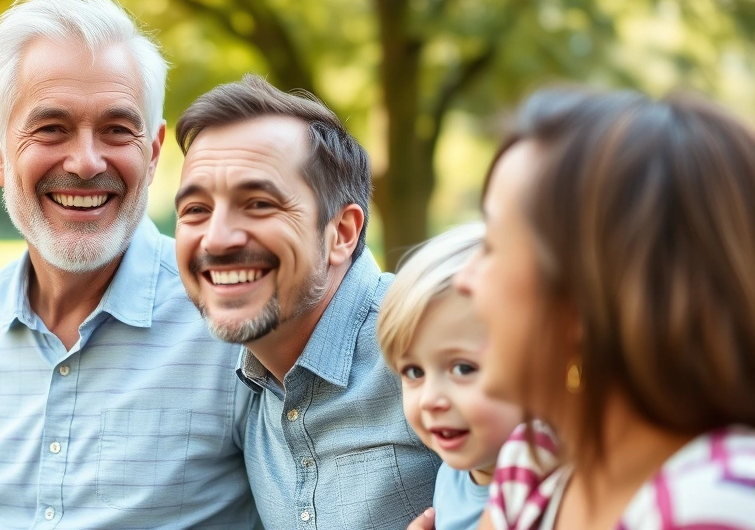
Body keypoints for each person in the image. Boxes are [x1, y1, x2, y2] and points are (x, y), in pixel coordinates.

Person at [0, 0, 259, 530]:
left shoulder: (233, 326)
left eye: (117, 130)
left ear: (151, 154)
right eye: (51, 128)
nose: (85, 161)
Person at [455, 87, 755, 529]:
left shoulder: (716, 502)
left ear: (582, 293)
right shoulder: (535, 460)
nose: (464, 280)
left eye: (491, 246)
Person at [173, 74, 441, 529]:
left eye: (258, 203)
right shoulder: (238, 383)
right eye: (195, 210)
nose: (215, 239)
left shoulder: (434, 340)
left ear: (342, 233)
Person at [377, 223, 522, 530]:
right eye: (414, 372)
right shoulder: (452, 477)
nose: (430, 399)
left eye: (463, 369)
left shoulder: (559, 490)